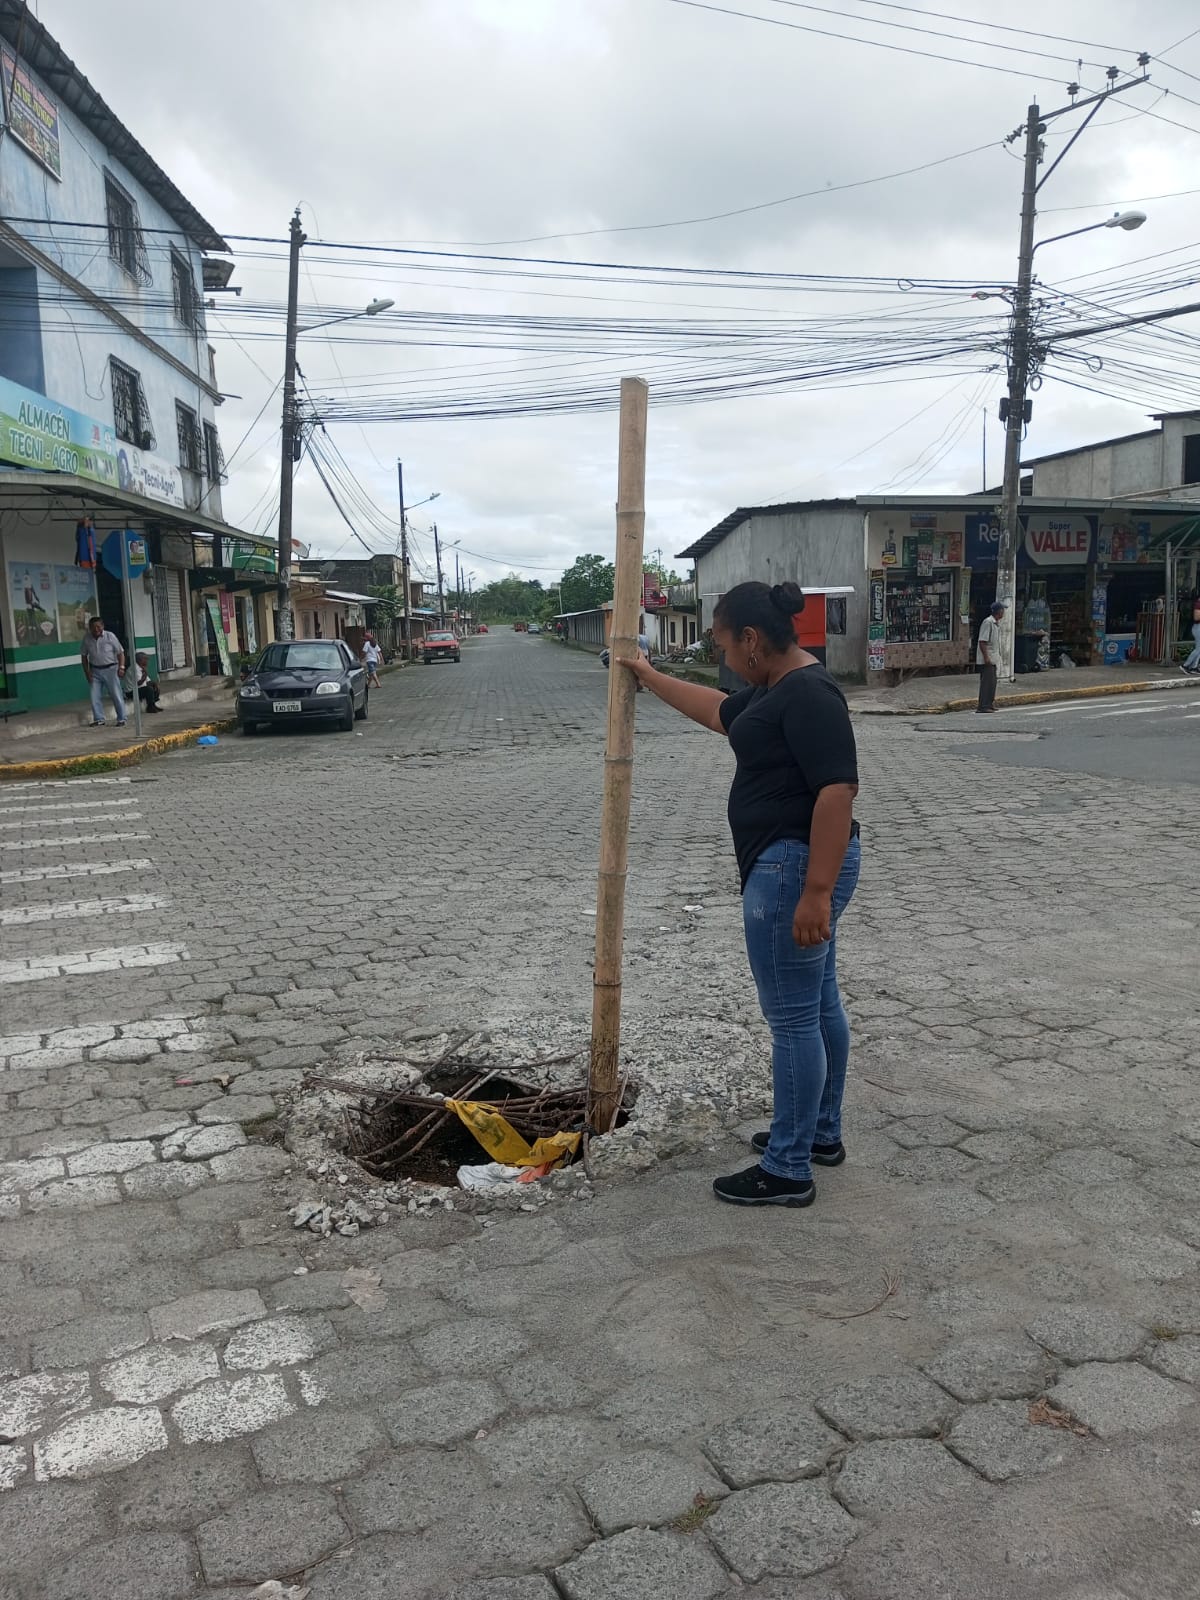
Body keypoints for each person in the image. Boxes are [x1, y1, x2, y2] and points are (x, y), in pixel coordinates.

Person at [620, 580, 860, 1209]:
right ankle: (818, 1133)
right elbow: (718, 712)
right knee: (818, 1003)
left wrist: (816, 892)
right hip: (790, 866)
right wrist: (647, 675)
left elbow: (837, 791)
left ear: (751, 639)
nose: (723, 657)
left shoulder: (809, 694)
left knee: (793, 1019)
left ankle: (787, 1167)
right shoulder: (774, 688)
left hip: (793, 870)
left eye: (724, 645)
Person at [81, 616, 127, 727]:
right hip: (95, 671)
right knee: (94, 696)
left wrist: (121, 667)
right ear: (89, 628)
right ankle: (99, 719)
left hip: (111, 670)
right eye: (93, 627)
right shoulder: (87, 638)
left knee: (116, 695)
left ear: (102, 626)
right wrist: (87, 672)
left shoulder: (110, 636)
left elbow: (120, 653)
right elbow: (84, 656)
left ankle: (121, 718)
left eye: (98, 626)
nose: (96, 629)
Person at [976, 600, 1005, 713]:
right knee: (986, 683)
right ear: (999, 611)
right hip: (987, 659)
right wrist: (986, 657)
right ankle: (983, 706)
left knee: (992, 683)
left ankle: (989, 704)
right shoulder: (988, 622)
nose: (1003, 612)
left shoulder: (996, 624)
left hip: (993, 658)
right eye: (1002, 610)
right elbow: (982, 641)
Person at [1180, 592, 1200, 675]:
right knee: (1198, 649)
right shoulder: (1198, 604)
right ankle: (1186, 665)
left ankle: (1194, 667)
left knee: (1199, 649)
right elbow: (1196, 617)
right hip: (1198, 627)